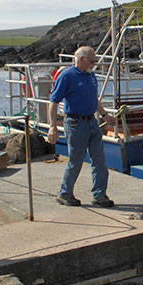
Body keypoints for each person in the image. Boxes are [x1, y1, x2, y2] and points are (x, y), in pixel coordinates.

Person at [46, 46, 117, 207]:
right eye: (91, 61)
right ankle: (65, 193)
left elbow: (94, 98)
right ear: (81, 59)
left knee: (99, 160)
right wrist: (52, 126)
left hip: (92, 121)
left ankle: (100, 195)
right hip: (75, 122)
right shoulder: (67, 76)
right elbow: (54, 101)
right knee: (76, 160)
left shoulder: (91, 76)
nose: (94, 64)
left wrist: (105, 115)